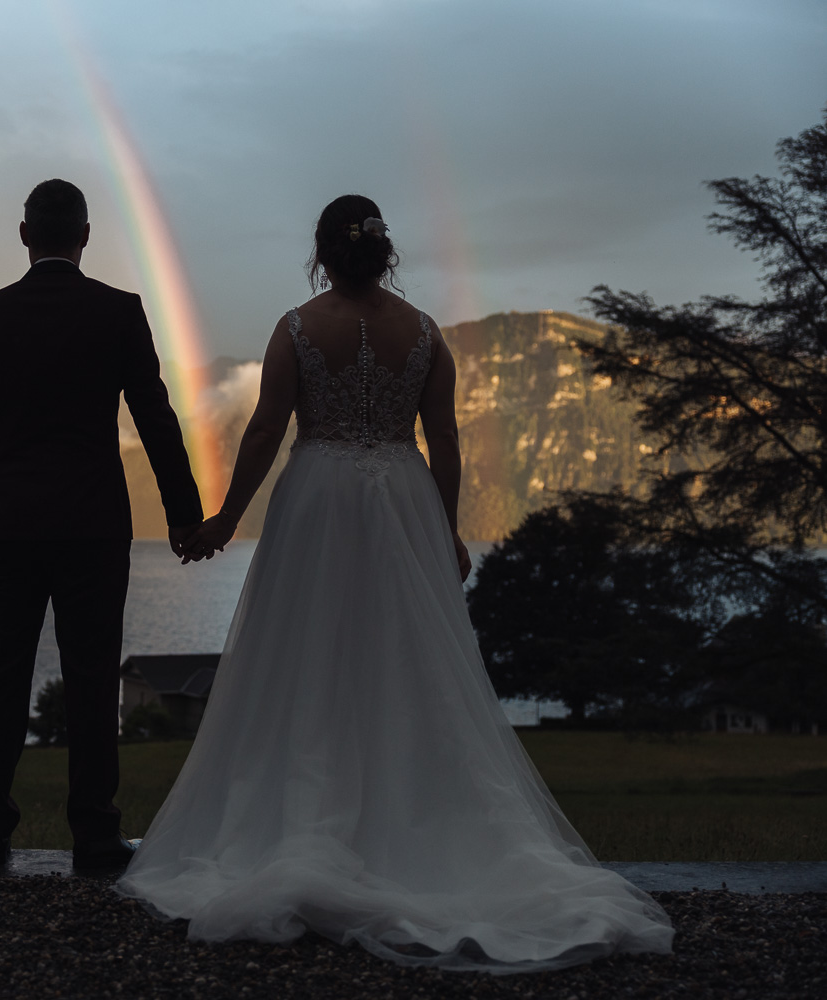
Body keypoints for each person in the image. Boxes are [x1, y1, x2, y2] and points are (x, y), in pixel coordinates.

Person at [116, 195, 675, 971]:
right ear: (385, 252)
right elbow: (442, 438)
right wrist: (444, 528)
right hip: (403, 498)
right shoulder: (426, 336)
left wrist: (224, 520)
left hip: (316, 499)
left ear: (321, 252)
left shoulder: (297, 329)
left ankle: (306, 822)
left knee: (305, 655)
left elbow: (266, 429)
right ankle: (418, 820)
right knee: (407, 659)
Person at [0, 179, 203, 869]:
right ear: (85, 237)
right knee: (92, 679)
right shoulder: (118, 313)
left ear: (24, 235)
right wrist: (184, 516)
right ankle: (94, 832)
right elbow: (155, 420)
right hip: (92, 525)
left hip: (5, 525)